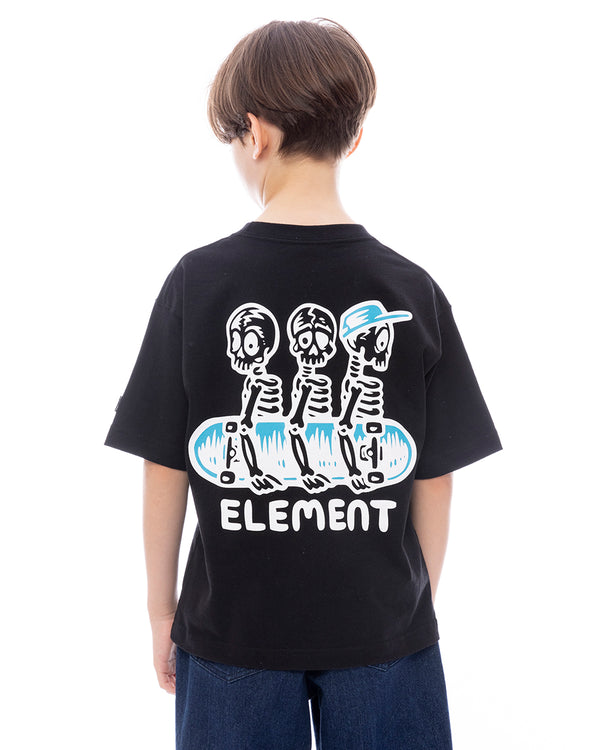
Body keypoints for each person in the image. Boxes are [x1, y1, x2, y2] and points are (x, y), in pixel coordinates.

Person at [105, 18, 502, 750]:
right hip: (383, 632)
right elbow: (435, 477)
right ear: (355, 137)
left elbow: (164, 462)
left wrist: (161, 611)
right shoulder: (411, 288)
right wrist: (406, 611)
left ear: (254, 133)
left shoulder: (197, 282)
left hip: (231, 635)